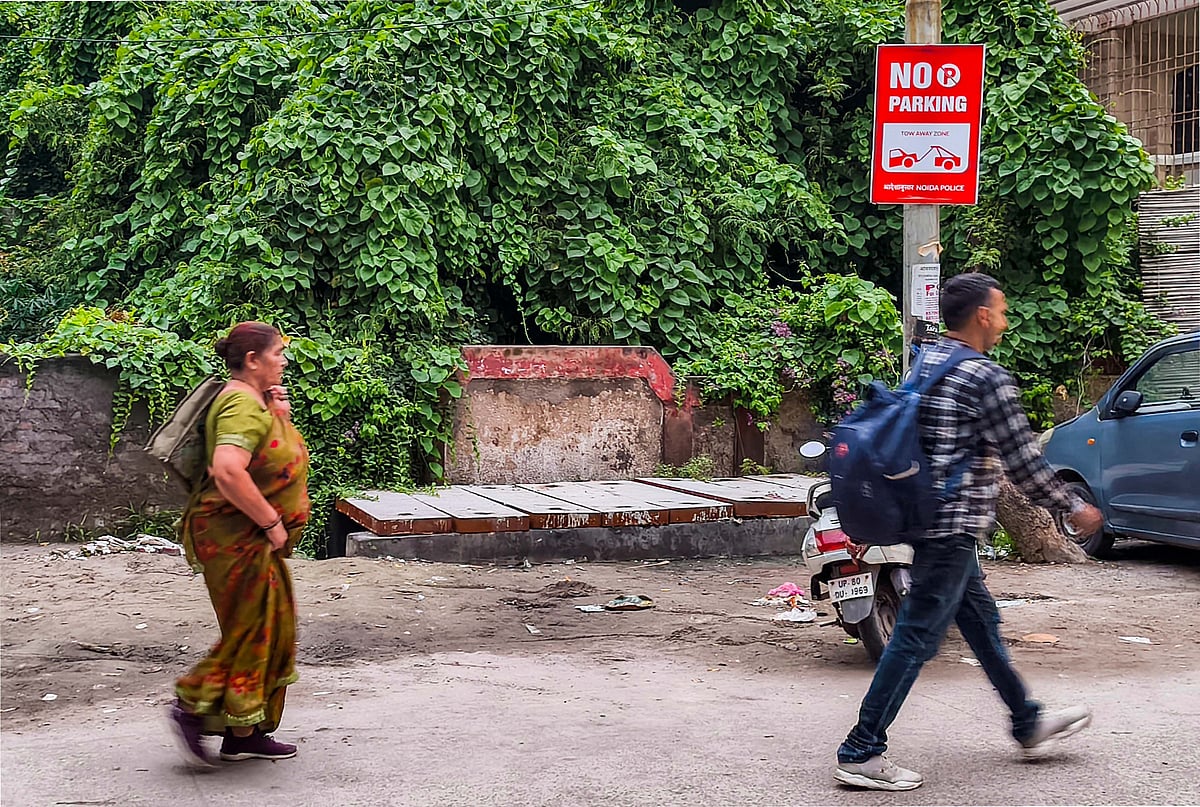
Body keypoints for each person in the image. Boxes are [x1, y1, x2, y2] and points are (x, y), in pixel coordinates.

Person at [834, 273, 1105, 791]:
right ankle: (861, 749)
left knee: (981, 623)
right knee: (914, 638)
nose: (1004, 321)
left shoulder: (929, 360)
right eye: (1000, 311)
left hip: (922, 515)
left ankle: (1026, 721)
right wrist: (1074, 506)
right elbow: (1023, 462)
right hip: (952, 525)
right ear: (982, 315)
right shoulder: (987, 378)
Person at [168, 322, 310, 767]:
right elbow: (229, 470)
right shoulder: (238, 406)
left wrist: (279, 416)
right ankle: (192, 705)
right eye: (278, 353)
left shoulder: (257, 402)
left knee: (272, 627)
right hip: (234, 537)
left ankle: (242, 730)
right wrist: (270, 522)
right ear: (253, 360)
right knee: (252, 631)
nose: (283, 360)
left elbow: (269, 453)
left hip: (248, 538)